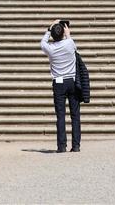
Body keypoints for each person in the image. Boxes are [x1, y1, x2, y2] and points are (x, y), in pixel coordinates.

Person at [40, 20, 80, 153]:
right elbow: (74, 48)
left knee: (60, 115)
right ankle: (76, 145)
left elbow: (42, 43)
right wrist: (68, 34)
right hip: (72, 81)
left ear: (52, 35)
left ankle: (61, 146)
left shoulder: (49, 48)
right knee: (75, 114)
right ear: (63, 33)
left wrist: (49, 28)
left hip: (58, 82)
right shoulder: (70, 43)